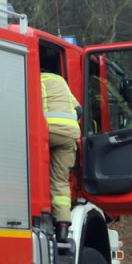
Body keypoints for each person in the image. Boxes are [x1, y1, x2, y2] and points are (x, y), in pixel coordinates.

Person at [40, 48, 81, 239]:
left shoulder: (35, 80)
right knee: (60, 180)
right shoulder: (61, 82)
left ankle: (41, 208)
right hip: (69, 133)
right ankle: (63, 225)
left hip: (47, 131)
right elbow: (79, 110)